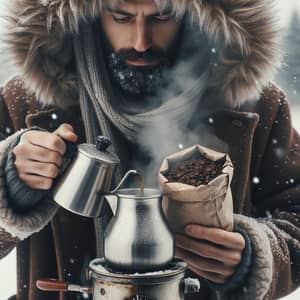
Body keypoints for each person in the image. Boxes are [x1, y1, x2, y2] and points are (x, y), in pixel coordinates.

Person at [0, 0, 299, 299]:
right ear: (88, 16)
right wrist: (12, 184)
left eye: (162, 17)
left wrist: (255, 256)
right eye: (122, 18)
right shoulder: (26, 101)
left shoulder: (258, 104)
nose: (141, 42)